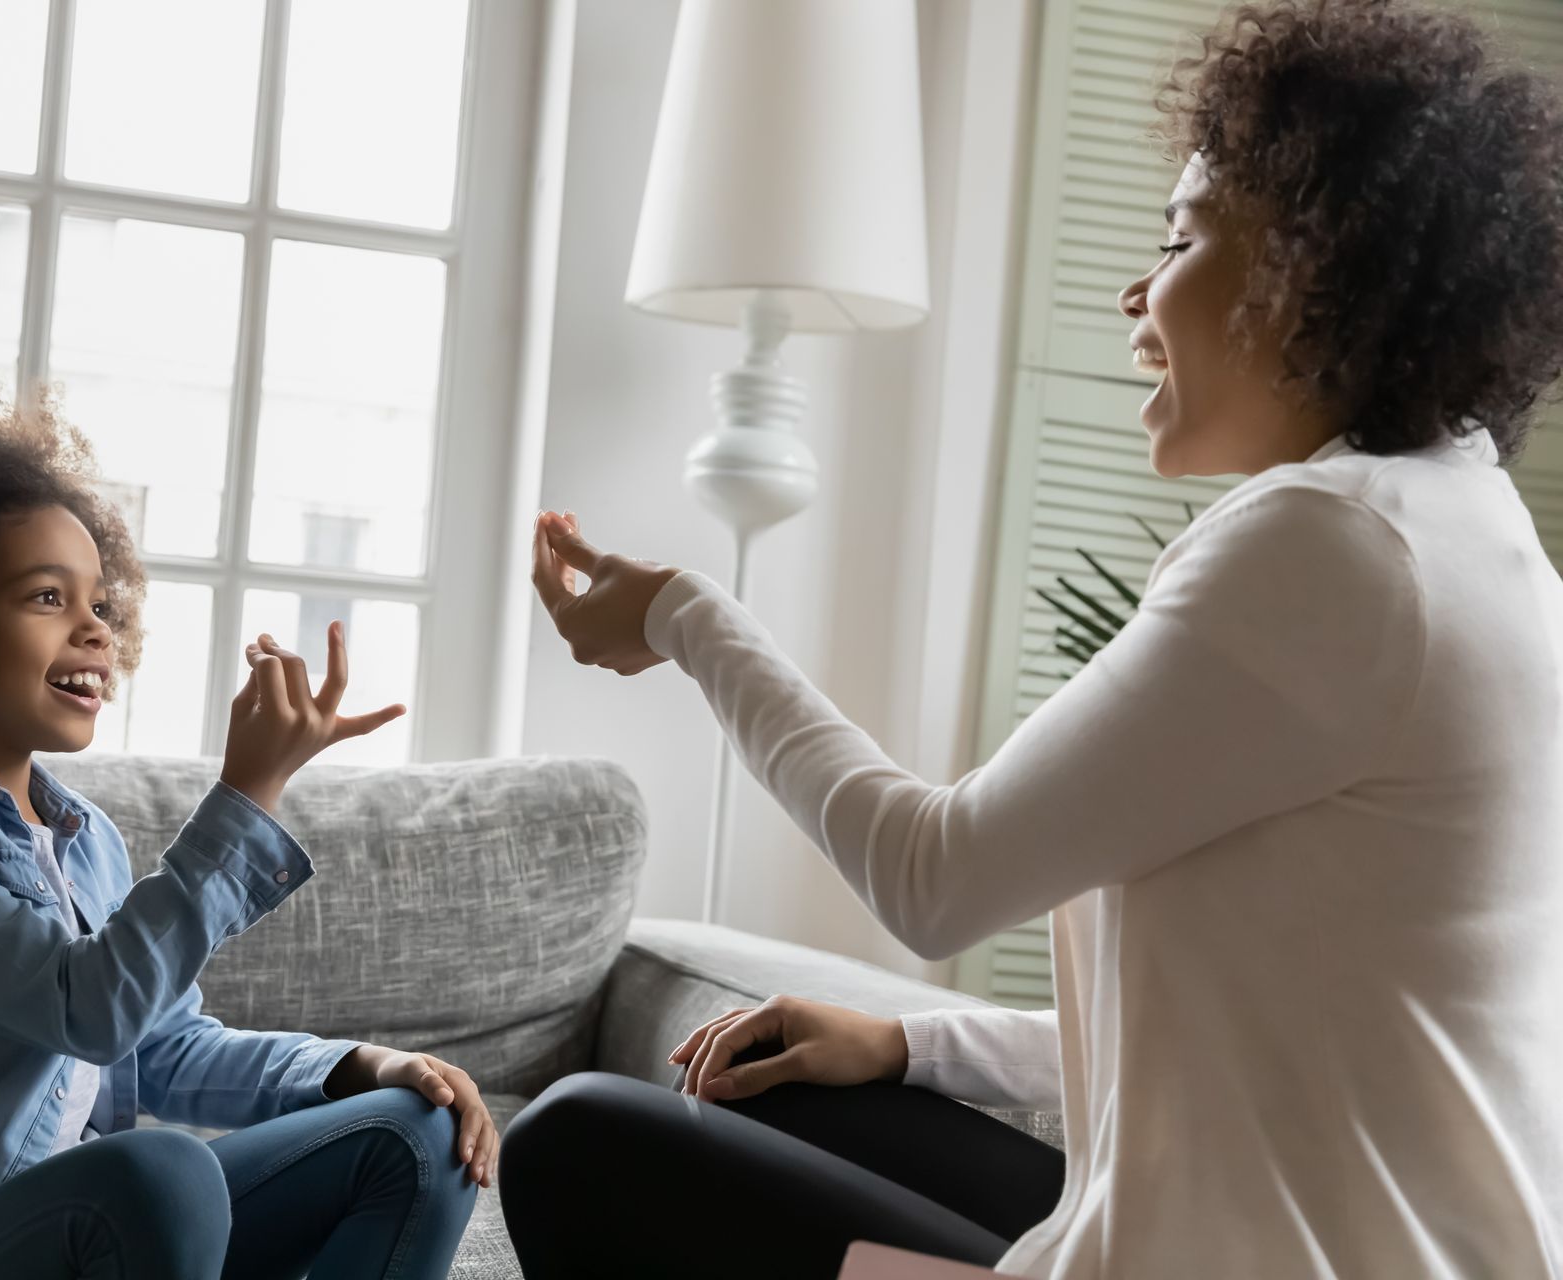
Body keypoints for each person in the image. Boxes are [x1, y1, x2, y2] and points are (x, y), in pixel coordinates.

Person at [503, 1, 1563, 1275]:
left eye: (1178, 240)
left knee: (578, 1142)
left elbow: (934, 874)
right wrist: (906, 1044)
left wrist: (685, 618)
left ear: (1309, 265)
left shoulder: (1330, 548)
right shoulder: (1464, 526)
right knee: (789, 1092)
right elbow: (1268, 1023)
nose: (1135, 289)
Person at [0, 355, 497, 1280]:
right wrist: (246, 796)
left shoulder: (83, 836)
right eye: (47, 597)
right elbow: (83, 1006)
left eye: (99, 602)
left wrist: (359, 1065)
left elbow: (160, 1046)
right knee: (159, 1175)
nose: (96, 629)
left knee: (418, 1132)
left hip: (73, 1235)